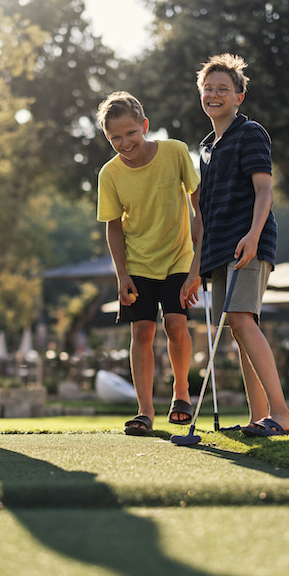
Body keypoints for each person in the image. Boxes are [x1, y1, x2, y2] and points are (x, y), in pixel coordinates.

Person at [184, 54, 289, 436]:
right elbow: (204, 213)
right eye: (208, 89)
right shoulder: (205, 148)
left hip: (248, 242)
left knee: (241, 320)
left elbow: (264, 189)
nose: (214, 95)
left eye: (223, 89)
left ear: (239, 97)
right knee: (238, 325)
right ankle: (258, 417)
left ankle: (283, 415)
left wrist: (252, 234)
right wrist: (197, 266)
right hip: (218, 250)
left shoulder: (250, 134)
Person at [95, 91, 202, 436]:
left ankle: (181, 393)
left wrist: (198, 265)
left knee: (175, 324)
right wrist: (121, 273)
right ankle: (144, 411)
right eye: (115, 138)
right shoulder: (109, 174)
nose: (124, 143)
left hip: (178, 257)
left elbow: (199, 206)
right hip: (137, 262)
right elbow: (113, 227)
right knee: (141, 331)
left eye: (130, 133)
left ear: (144, 125)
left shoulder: (175, 152)